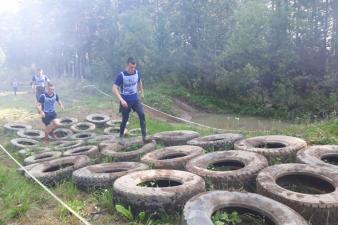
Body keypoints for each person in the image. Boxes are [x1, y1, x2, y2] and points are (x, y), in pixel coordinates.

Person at [112, 57, 146, 144]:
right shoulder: (121, 75)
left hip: (135, 99)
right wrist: (121, 100)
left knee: (142, 114)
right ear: (127, 65)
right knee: (125, 119)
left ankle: (144, 137)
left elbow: (139, 81)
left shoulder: (137, 72)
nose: (133, 69)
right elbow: (114, 88)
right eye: (131, 67)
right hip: (125, 101)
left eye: (134, 67)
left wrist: (142, 92)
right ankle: (121, 137)